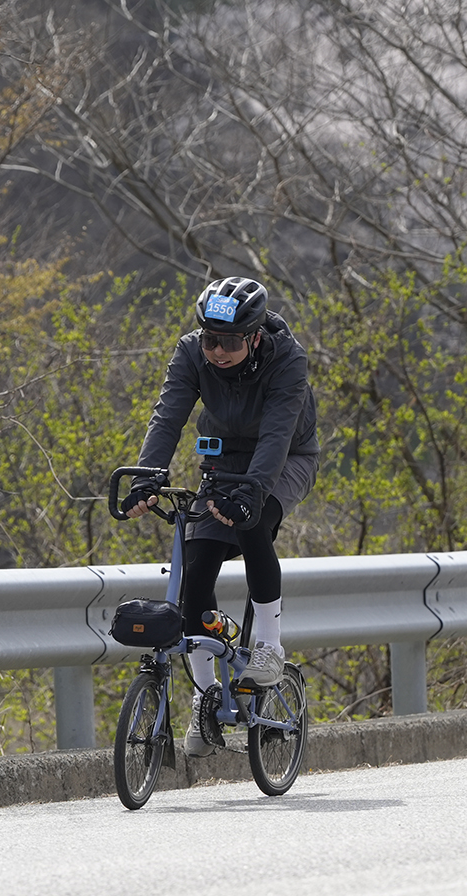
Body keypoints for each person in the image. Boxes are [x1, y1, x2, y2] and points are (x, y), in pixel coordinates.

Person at [119, 276, 319, 757]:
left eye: (230, 342)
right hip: (223, 460)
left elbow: (277, 435)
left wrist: (252, 493)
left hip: (286, 457)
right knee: (197, 562)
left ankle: (269, 646)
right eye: (211, 340)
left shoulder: (288, 360)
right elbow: (168, 416)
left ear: (254, 336)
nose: (218, 352)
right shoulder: (191, 353)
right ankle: (205, 693)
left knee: (252, 522)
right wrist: (147, 477)